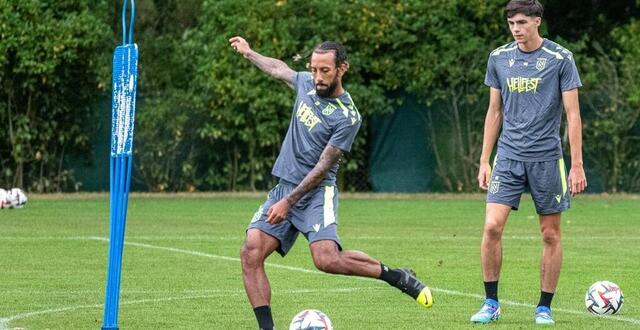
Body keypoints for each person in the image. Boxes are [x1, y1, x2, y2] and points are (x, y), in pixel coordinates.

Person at [230, 36, 433, 330]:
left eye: (324, 70)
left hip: (314, 193)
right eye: (313, 69)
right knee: (251, 252)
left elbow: (322, 167)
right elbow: (278, 68)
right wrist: (249, 53)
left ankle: (396, 276)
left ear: (342, 69)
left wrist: (289, 202)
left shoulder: (347, 116)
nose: (317, 77)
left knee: (326, 260)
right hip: (285, 187)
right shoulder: (305, 85)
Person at [471, 0, 587, 325]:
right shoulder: (499, 58)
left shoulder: (560, 59)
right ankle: (491, 303)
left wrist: (576, 164)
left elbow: (573, 114)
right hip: (507, 157)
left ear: (537, 21)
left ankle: (544, 307)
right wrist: (484, 159)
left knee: (550, 234)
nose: (516, 29)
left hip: (547, 159)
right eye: (511, 24)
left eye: (522, 22)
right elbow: (494, 111)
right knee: (492, 226)